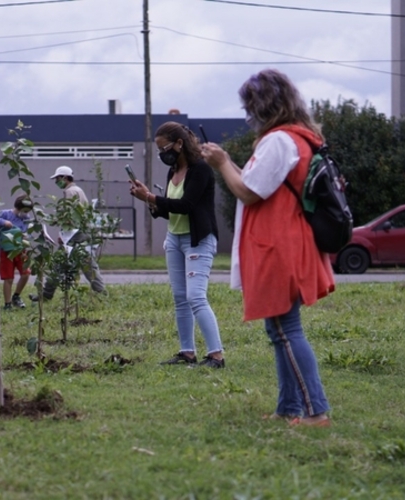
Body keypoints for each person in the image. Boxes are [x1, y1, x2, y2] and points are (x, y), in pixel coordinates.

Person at [202, 69, 334, 425]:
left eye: (250, 108)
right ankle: (288, 407)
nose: (248, 117)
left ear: (264, 107)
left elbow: (248, 190)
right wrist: (229, 163)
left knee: (285, 330)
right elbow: (259, 182)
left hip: (280, 244)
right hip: (288, 240)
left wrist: (221, 162)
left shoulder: (279, 141)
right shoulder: (300, 138)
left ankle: (314, 410)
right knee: (279, 329)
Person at [129, 121, 225, 369]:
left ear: (180, 144)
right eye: (160, 150)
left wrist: (151, 197)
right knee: (180, 298)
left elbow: (187, 205)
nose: (163, 154)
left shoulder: (201, 170)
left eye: (165, 148)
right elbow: (170, 211)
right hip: (174, 239)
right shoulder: (172, 172)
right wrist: (150, 201)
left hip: (198, 240)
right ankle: (187, 352)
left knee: (196, 296)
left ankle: (216, 355)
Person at [39, 165, 105, 300]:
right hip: (81, 233)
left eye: (57, 178)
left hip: (74, 235)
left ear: (64, 177)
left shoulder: (70, 192)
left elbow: (70, 216)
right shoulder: (78, 190)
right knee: (87, 266)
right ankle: (102, 293)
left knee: (63, 264)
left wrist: (56, 221)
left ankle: (46, 295)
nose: (56, 181)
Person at [0, 195, 33, 310]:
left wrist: (27, 236)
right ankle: (7, 304)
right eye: (25, 211)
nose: (26, 213)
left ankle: (16, 296)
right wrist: (3, 222)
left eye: (28, 211)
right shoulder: (6, 214)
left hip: (22, 250)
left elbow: (29, 231)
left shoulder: (26, 218)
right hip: (7, 251)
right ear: (18, 208)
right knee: (9, 278)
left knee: (26, 273)